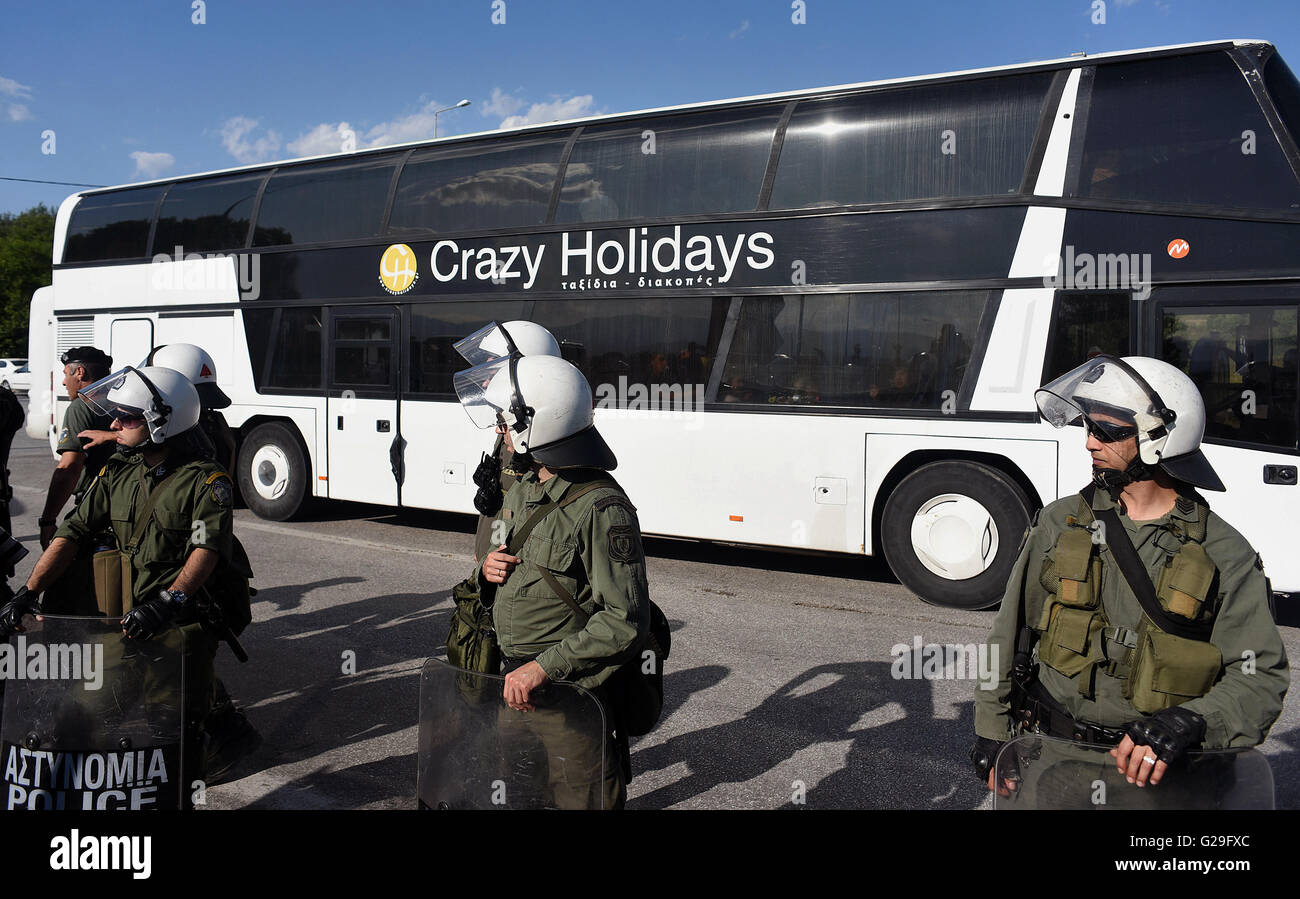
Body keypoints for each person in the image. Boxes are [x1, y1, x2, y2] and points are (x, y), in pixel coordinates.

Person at [971, 355, 1289, 801]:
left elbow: (1259, 676)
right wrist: (991, 729)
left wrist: (1193, 722)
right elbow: (1007, 635)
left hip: (1158, 779)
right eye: (1088, 427)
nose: (1089, 443)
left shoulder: (1224, 552)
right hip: (1053, 760)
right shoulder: (1058, 523)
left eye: (1107, 431)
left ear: (1158, 439)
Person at [0, 365, 250, 801]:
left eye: (127, 417)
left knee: (173, 730)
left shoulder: (205, 482)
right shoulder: (119, 470)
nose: (114, 424)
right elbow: (72, 533)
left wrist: (170, 602)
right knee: (81, 711)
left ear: (162, 419)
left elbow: (204, 550)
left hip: (179, 627)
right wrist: (29, 591)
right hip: (127, 622)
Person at [455, 350, 650, 809]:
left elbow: (623, 620)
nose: (501, 430)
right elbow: (499, 542)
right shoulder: (525, 486)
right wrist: (488, 568)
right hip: (513, 687)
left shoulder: (602, 508)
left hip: (568, 697)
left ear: (538, 421)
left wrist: (542, 668)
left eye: (507, 421)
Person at [453, 321, 562, 563]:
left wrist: (494, 554)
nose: (483, 383)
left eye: (494, 373)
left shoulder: (544, 439)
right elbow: (498, 495)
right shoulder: (511, 429)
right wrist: (482, 549)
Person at [36, 347, 115, 614]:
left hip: (95, 510)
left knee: (60, 587)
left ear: (79, 372)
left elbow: (69, 466)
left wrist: (48, 520)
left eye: (65, 374)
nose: (63, 381)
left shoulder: (82, 406)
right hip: (129, 506)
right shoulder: (125, 400)